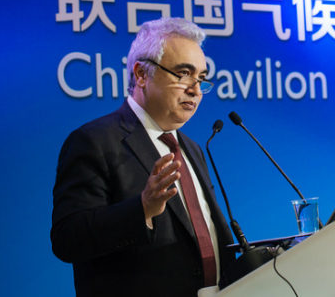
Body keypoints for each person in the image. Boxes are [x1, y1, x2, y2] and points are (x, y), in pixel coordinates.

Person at [51, 17, 234, 297]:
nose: (195, 90)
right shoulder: (94, 142)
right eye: (183, 73)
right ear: (141, 75)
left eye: (201, 78)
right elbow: (68, 239)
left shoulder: (192, 149)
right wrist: (142, 209)